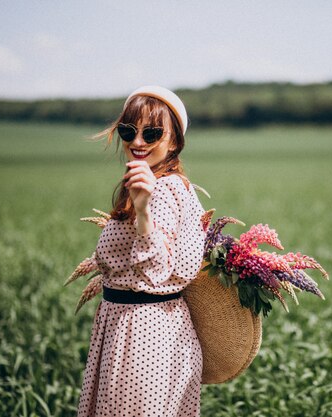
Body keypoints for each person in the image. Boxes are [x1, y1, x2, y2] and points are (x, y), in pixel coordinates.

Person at [77, 86, 206, 417]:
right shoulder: (174, 185)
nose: (137, 142)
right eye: (127, 130)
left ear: (174, 141)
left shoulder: (158, 191)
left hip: (141, 334)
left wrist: (144, 211)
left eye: (151, 133)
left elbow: (156, 269)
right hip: (160, 331)